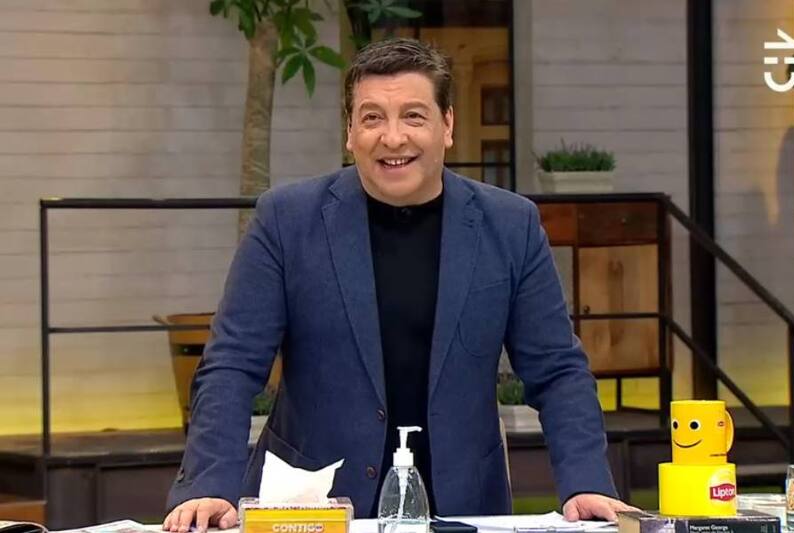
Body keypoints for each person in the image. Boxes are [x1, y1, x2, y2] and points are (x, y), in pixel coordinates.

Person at [162, 38, 635, 533]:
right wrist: (208, 484)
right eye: (372, 118)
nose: (392, 138)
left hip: (463, 507)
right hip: (313, 508)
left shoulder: (510, 226)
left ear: (447, 125)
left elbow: (558, 370)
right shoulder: (285, 220)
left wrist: (586, 482)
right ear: (350, 132)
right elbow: (232, 363)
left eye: (413, 116)